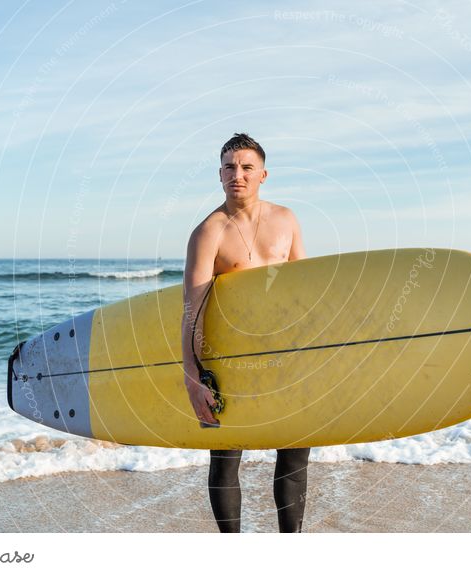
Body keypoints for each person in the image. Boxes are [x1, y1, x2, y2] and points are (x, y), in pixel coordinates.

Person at [181, 133, 311, 533]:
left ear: (263, 174)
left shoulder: (286, 220)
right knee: (225, 457)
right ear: (219, 175)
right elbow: (192, 309)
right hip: (230, 357)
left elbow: (303, 294)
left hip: (285, 352)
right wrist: (192, 376)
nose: (237, 174)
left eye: (246, 167)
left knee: (294, 454)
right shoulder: (209, 233)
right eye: (229, 167)